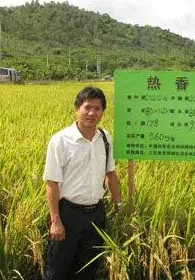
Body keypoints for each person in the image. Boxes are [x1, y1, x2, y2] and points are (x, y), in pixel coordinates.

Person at [43, 86, 123, 280]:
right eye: (87, 107)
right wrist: (56, 221)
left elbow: (111, 174)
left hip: (96, 213)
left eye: (97, 109)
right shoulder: (60, 140)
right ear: (77, 109)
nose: (91, 113)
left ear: (103, 112)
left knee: (89, 269)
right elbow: (52, 183)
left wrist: (119, 204)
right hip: (68, 213)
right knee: (58, 270)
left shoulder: (105, 138)